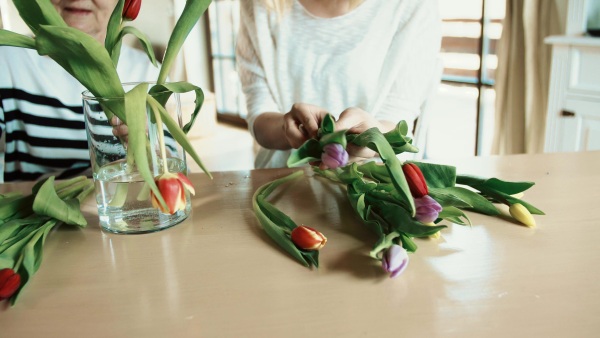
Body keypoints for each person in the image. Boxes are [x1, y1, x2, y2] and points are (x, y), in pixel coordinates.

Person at [236, 0, 442, 168]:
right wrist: (286, 127)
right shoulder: (262, 4)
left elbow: (399, 120)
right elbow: (258, 114)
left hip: (376, 187)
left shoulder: (414, 6)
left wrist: (371, 139)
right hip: (281, 185)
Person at [0, 0, 159, 182]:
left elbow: (166, 166)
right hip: (33, 206)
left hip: (124, 206)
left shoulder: (149, 74)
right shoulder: (6, 63)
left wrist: (146, 148)